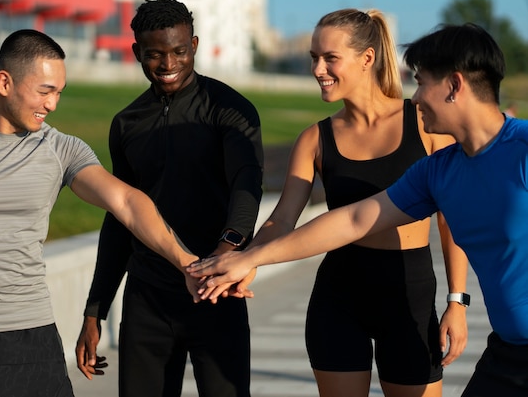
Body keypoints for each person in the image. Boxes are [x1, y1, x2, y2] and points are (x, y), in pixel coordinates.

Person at [188, 23, 528, 397]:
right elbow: (352, 219)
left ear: (454, 86)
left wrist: (456, 300)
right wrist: (248, 258)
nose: (414, 98)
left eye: (422, 82)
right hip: (507, 355)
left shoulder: (521, 151)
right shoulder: (437, 172)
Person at [0, 29, 200, 397]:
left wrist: (185, 261)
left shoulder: (61, 149)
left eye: (59, 92)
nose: (53, 104)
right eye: (44, 91)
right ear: (4, 82)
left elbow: (126, 202)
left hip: (33, 338)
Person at [75, 0, 263, 397]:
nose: (168, 64)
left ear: (193, 45)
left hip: (216, 290)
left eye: (179, 51)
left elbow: (247, 180)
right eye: (155, 54)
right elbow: (119, 218)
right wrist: (96, 310)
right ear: (136, 52)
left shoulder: (229, 108)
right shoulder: (126, 124)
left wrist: (228, 248)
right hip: (148, 298)